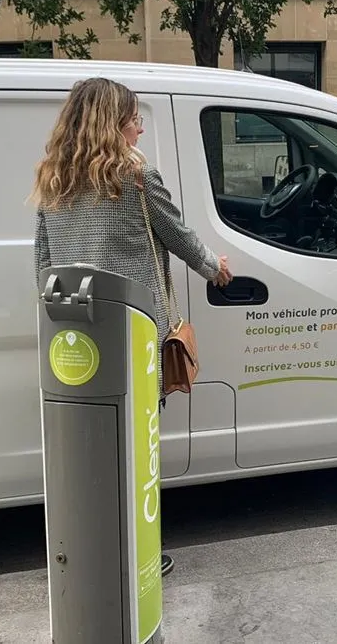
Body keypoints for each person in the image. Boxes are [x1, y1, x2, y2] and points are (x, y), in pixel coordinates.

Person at [31, 77, 232, 577]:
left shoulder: (55, 177)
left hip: (78, 336)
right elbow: (179, 236)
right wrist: (216, 268)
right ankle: (134, 553)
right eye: (134, 119)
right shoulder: (135, 178)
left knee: (91, 449)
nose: (139, 129)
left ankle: (95, 547)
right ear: (113, 123)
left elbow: (44, 262)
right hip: (134, 333)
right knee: (136, 451)